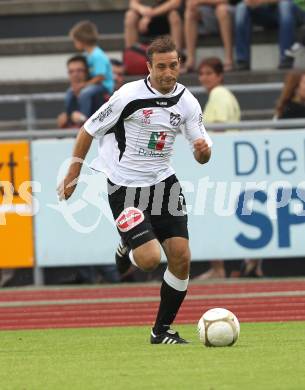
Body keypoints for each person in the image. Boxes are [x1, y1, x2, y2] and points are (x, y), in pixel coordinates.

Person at [57, 36, 212, 344]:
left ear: (179, 64)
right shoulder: (128, 96)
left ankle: (161, 331)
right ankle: (127, 246)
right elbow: (88, 128)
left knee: (181, 258)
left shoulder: (188, 102)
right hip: (125, 186)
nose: (168, 73)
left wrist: (202, 150)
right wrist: (74, 170)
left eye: (173, 66)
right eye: (162, 67)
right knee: (151, 259)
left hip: (164, 183)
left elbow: (203, 155)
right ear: (149, 67)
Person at [196, 57, 240, 279]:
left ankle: (219, 267)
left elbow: (220, 129)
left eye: (209, 73)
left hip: (219, 163)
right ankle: (221, 266)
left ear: (219, 75)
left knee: (212, 210)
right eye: (202, 73)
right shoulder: (221, 95)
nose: (204, 77)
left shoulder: (219, 95)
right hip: (222, 161)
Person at [68, 20, 114, 117]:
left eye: (75, 40)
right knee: (70, 91)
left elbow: (100, 77)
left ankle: (84, 117)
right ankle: (69, 116)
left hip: (104, 86)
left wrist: (83, 85)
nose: (74, 43)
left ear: (82, 40)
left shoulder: (97, 55)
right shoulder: (87, 55)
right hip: (94, 84)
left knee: (85, 93)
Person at [235, 0, 296, 71]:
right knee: (241, 7)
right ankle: (242, 60)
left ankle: (286, 57)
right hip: (269, 11)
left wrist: (262, 1)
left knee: (285, 4)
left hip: (296, 9)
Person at [183, 0, 234, 72]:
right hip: (207, 12)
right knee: (190, 12)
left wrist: (200, 2)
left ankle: (229, 59)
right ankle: (190, 60)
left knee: (222, 9)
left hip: (233, 10)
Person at [57, 55, 106, 128]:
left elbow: (105, 123)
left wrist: (83, 120)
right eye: (71, 71)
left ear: (87, 72)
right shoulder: (69, 95)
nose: (75, 74)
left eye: (79, 70)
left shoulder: (98, 95)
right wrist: (63, 121)